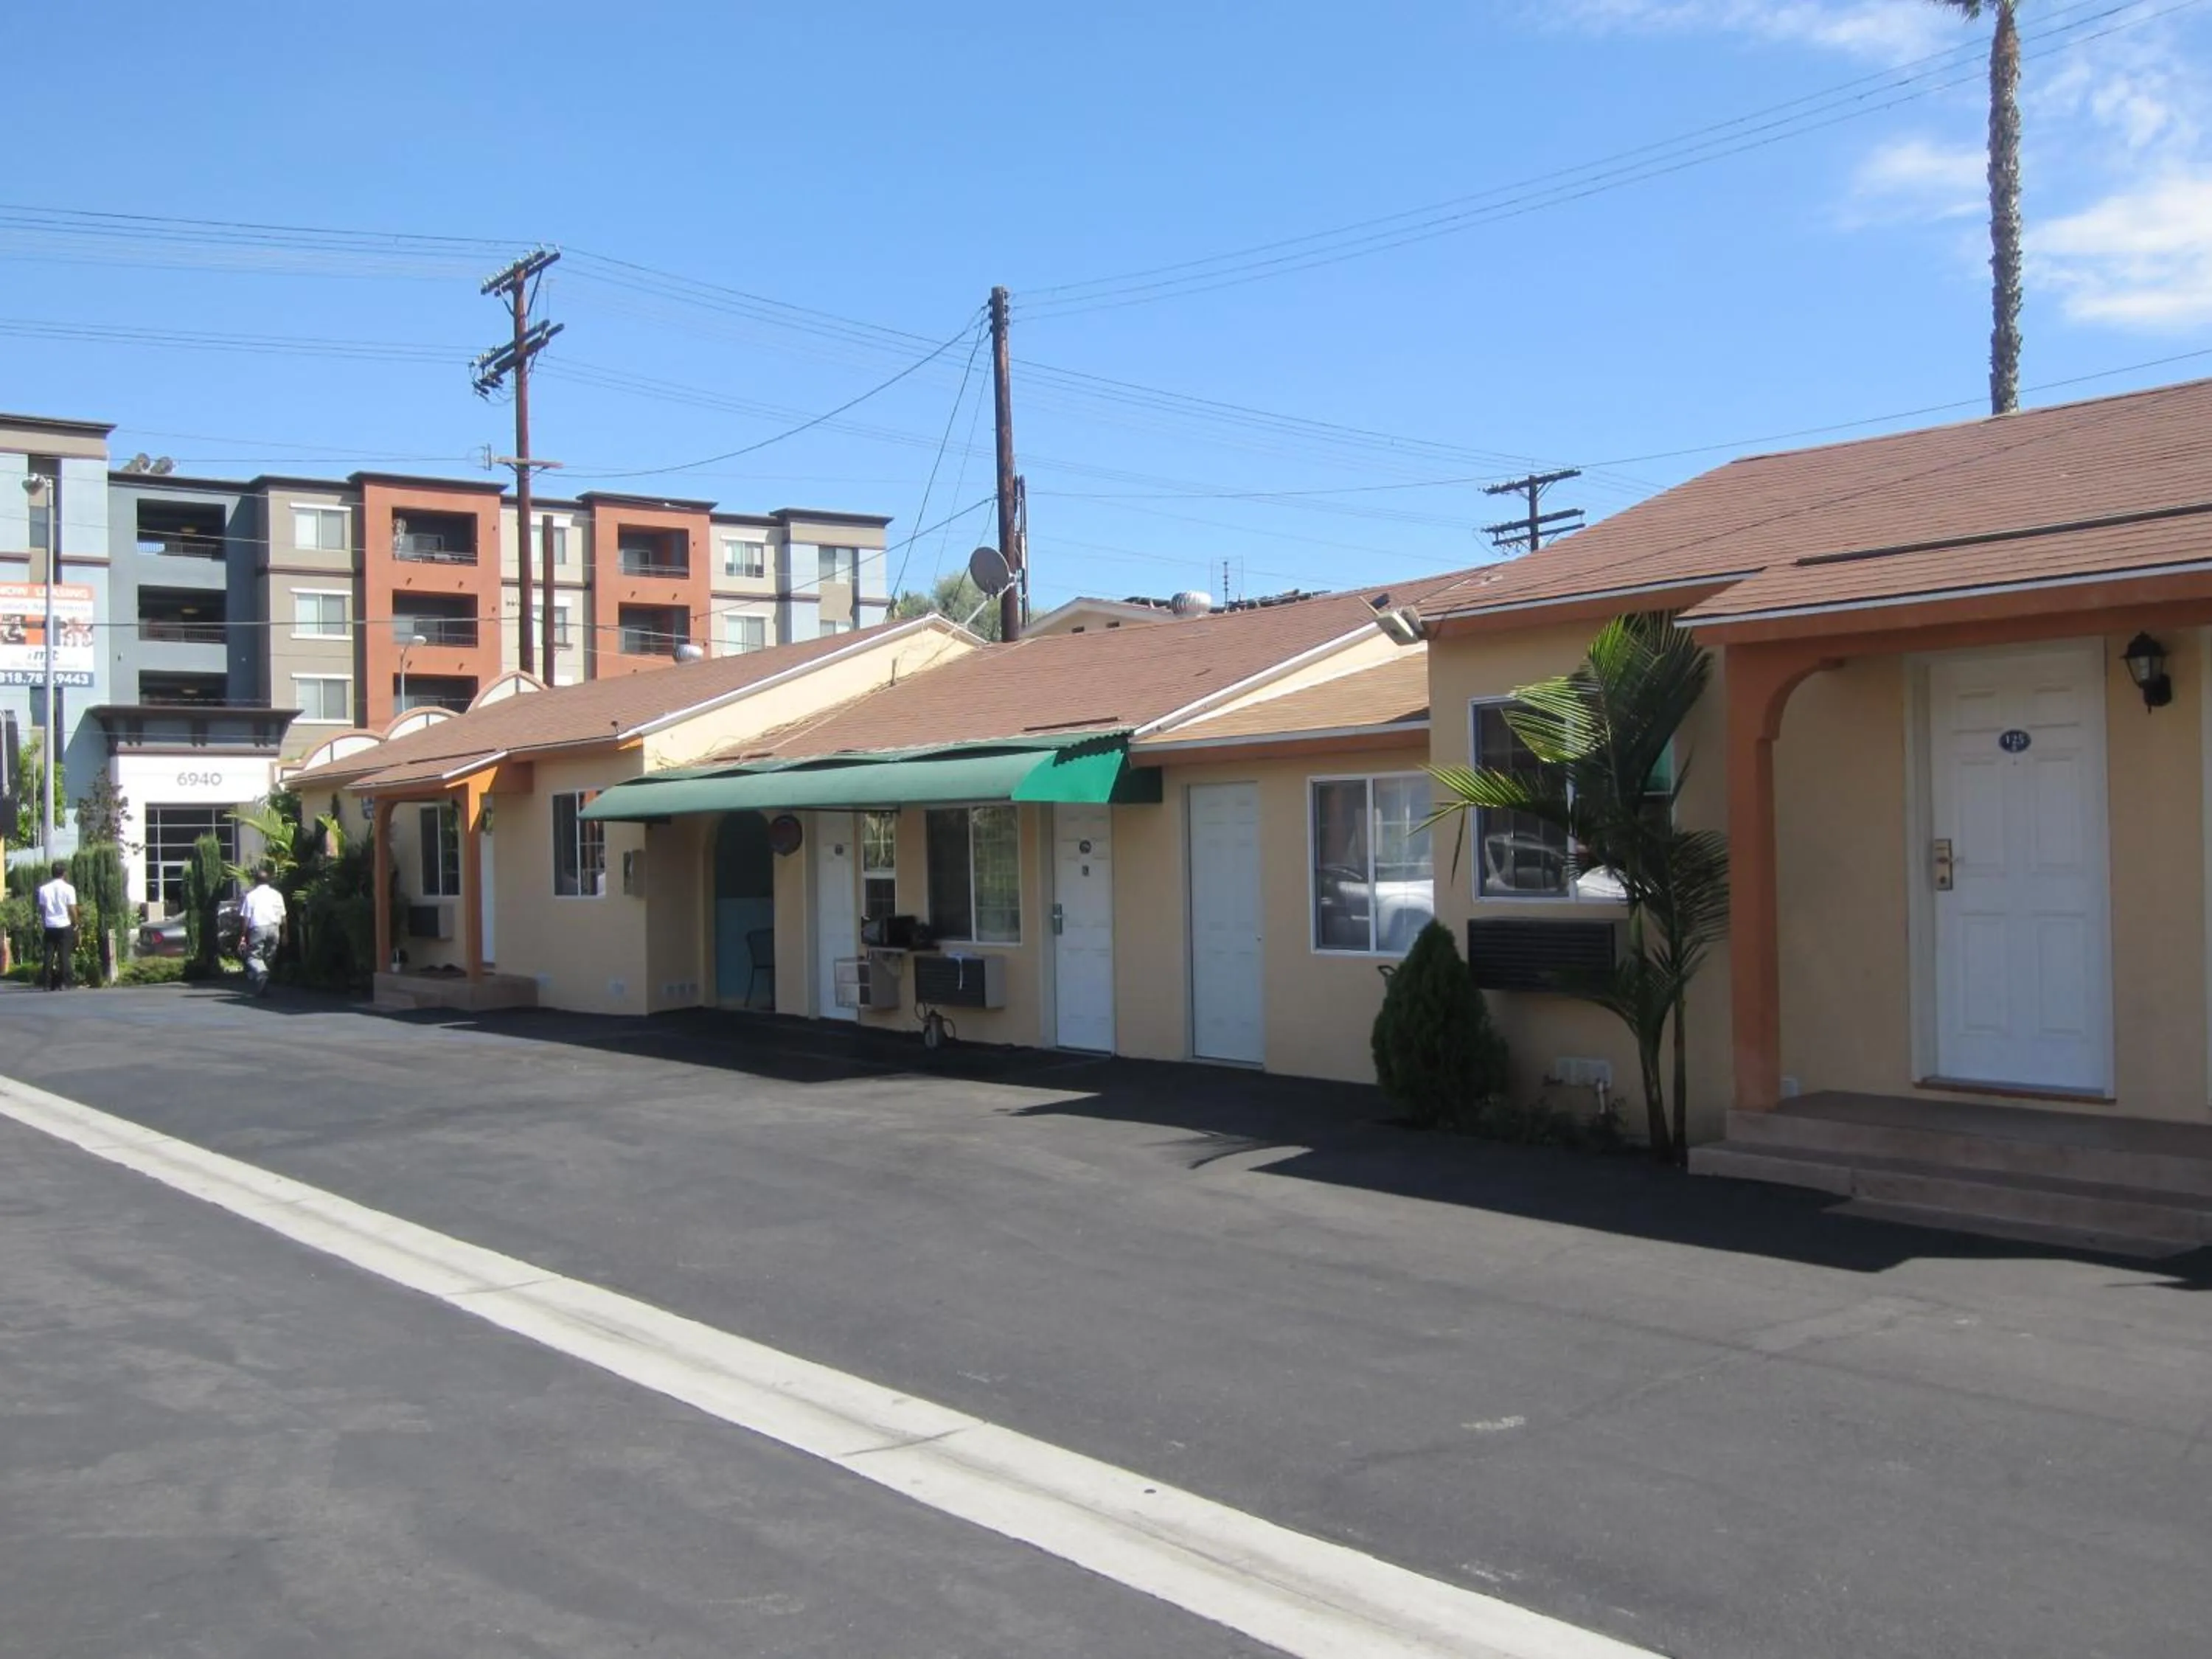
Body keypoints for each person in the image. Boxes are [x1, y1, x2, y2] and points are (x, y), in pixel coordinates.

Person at [239, 866, 286, 997]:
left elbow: (246, 918)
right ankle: (262, 987)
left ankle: (261, 973)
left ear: (256, 881)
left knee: (253, 957)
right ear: (268, 881)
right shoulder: (277, 895)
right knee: (268, 957)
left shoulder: (251, 896)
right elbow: (283, 916)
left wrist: (243, 936)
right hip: (274, 928)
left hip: (258, 928)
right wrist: (285, 933)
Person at [35, 860, 78, 991]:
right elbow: (72, 908)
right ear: (64, 873)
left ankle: (47, 983)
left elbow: (42, 909)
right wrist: (75, 922)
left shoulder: (43, 889)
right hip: (64, 924)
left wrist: (44, 921)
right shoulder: (69, 889)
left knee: (48, 954)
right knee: (63, 955)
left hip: (50, 925)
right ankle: (65, 983)